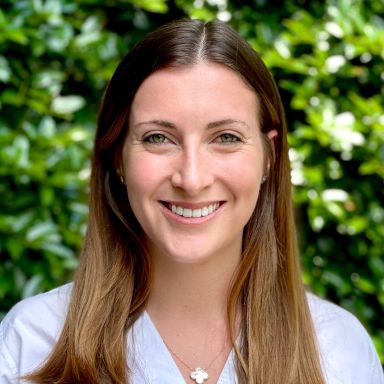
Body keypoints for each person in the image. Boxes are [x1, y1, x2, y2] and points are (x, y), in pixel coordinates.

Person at [0, 18, 383, 384]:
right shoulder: (32, 342)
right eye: (158, 138)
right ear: (118, 156)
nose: (192, 178)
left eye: (226, 138)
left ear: (269, 158)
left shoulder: (340, 352)